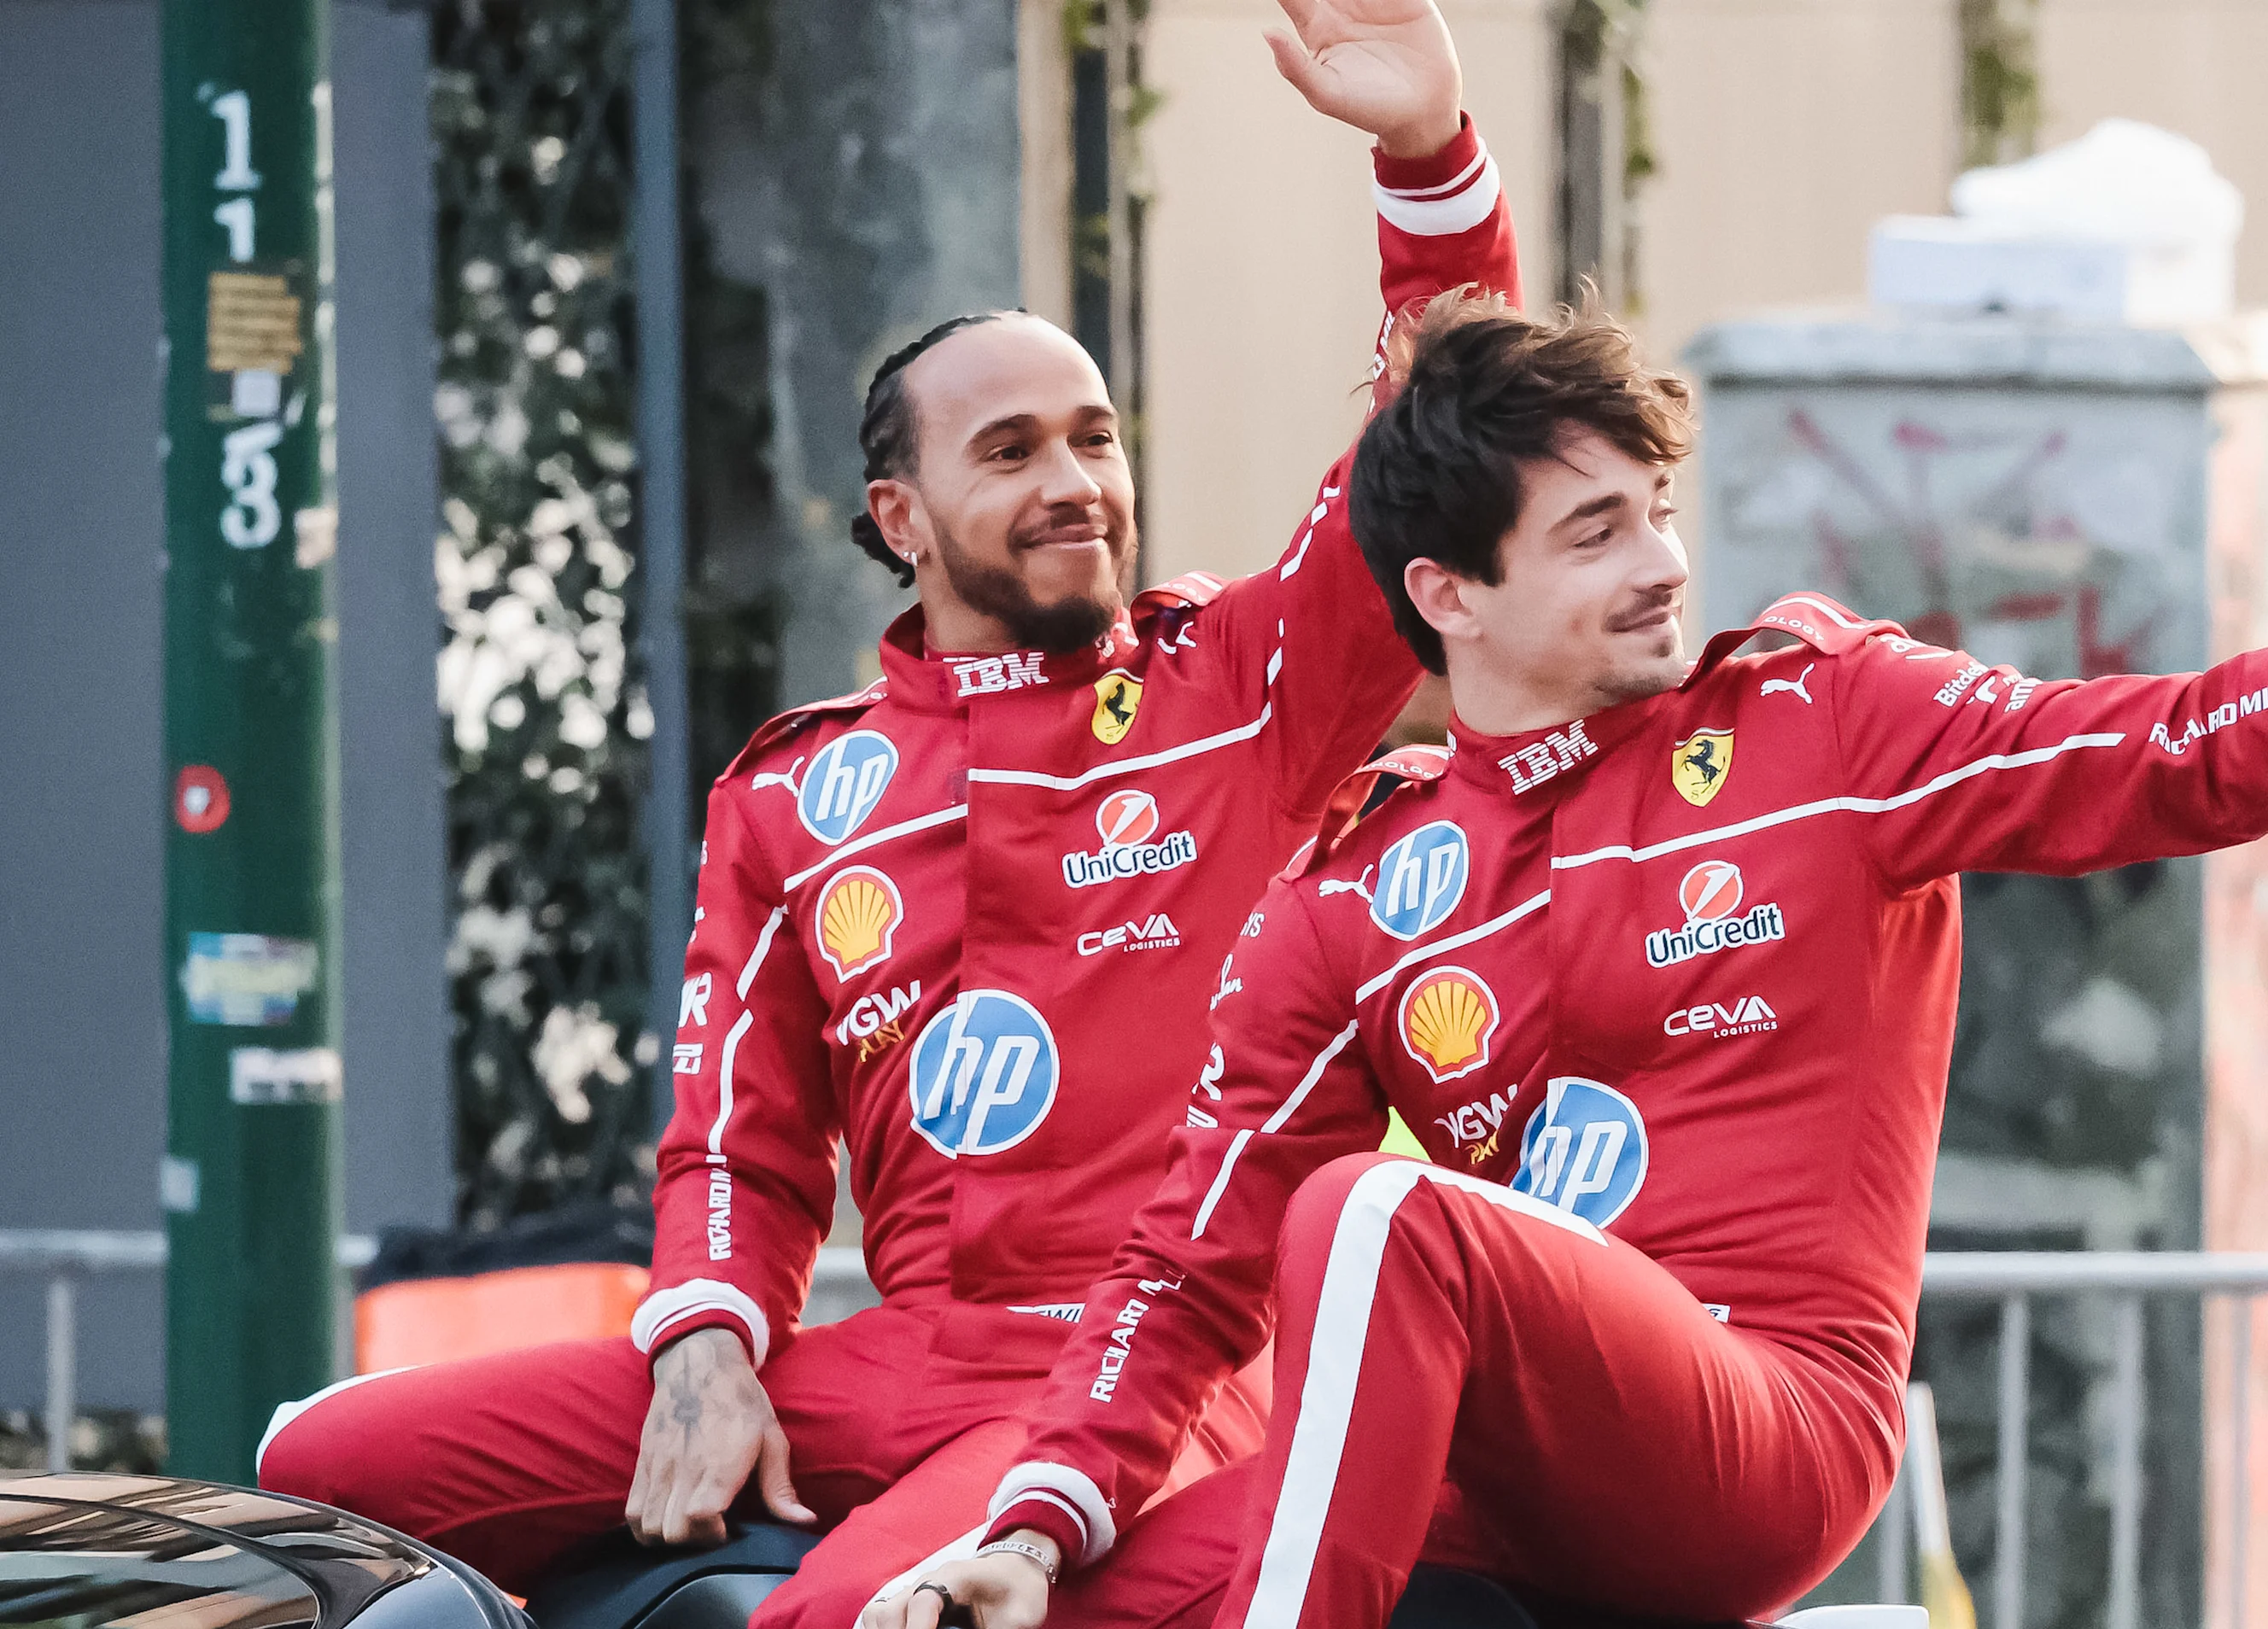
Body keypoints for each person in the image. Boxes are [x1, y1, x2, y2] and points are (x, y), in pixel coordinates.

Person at [880, 298, 2268, 1629]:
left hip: (1766, 1435)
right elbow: (1183, 1269)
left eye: (1657, 509)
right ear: (1449, 595)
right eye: (1595, 537)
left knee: (1370, 1212)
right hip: (1499, 1476)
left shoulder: (1828, 719)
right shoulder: (1356, 890)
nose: (1665, 565)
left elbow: (2178, 751)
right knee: (995, 1595)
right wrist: (1033, 1527)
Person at [254, 6, 1517, 1626]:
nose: (1076, 480)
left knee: (842, 1619)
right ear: (899, 517)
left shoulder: (1249, 680)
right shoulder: (792, 787)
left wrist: (1427, 157)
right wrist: (707, 1346)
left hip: (1156, 1356)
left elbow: (1439, 426)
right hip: (897, 1354)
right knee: (322, 1482)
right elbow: (735, 1145)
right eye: (1012, 451)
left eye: (1095, 436)